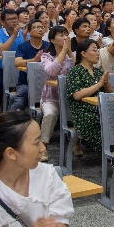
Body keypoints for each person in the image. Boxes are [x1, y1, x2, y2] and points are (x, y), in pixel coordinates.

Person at [67, 40, 114, 163]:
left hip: (100, 109)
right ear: (83, 53)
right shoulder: (75, 72)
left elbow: (111, 94)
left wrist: (105, 82)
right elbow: (77, 95)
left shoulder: (97, 72)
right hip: (83, 111)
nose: (97, 53)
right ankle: (112, 154)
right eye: (94, 50)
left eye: (98, 50)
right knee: (101, 121)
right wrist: (99, 84)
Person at [39, 26, 73, 161]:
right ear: (52, 40)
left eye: (66, 35)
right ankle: (43, 146)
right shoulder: (46, 56)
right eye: (61, 35)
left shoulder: (71, 55)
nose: (65, 38)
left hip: (70, 97)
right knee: (50, 114)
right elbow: (51, 71)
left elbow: (79, 69)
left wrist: (70, 53)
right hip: (51, 98)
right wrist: (63, 52)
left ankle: (76, 143)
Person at [13, 19, 48, 111]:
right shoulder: (23, 46)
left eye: (42, 27)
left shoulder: (48, 46)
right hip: (26, 82)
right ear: (29, 32)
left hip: (45, 83)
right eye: (37, 27)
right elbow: (17, 62)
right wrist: (34, 60)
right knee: (20, 101)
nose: (40, 29)